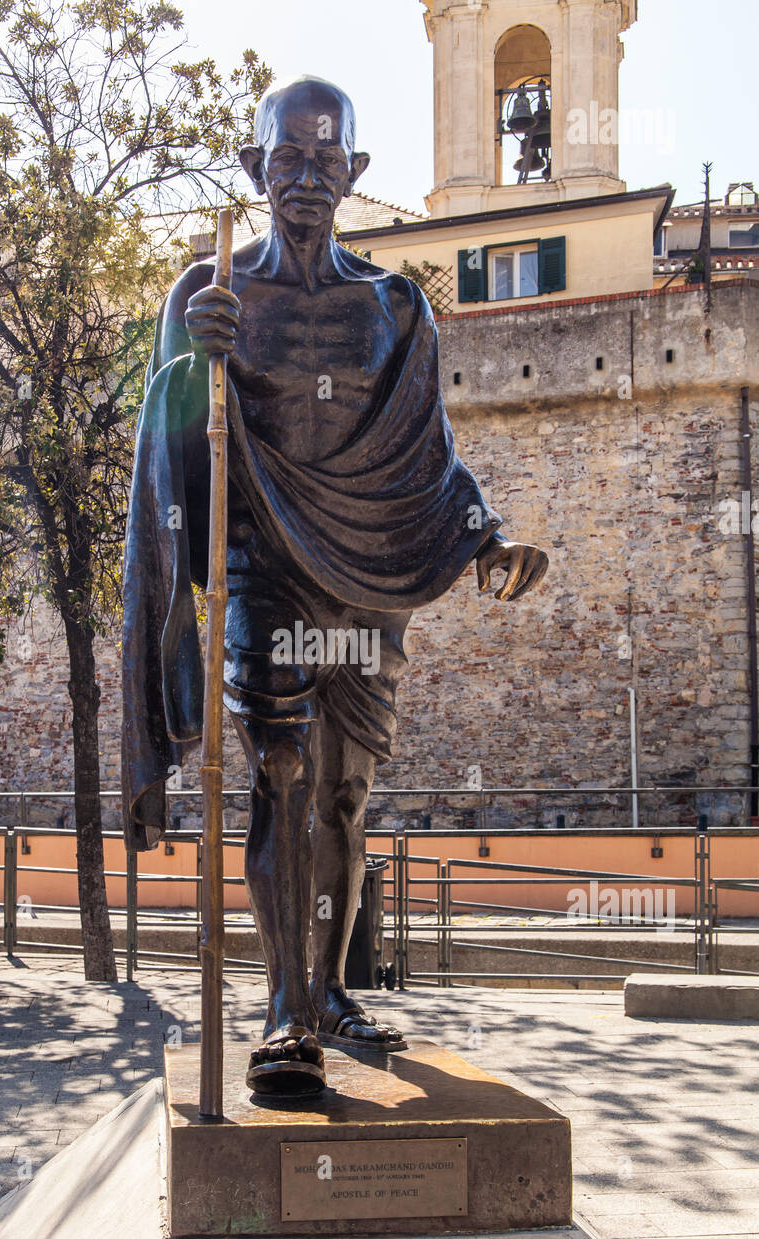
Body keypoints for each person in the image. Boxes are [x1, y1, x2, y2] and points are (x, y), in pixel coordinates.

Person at [122, 76, 549, 1096]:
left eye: (325, 160)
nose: (305, 179)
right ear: (252, 168)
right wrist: (191, 360)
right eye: (286, 159)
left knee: (347, 795)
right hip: (263, 566)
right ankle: (283, 1008)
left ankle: (328, 982)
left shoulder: (395, 305)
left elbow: (425, 452)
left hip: (370, 575)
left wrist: (484, 537)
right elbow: (166, 450)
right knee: (278, 771)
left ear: (355, 172)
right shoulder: (210, 292)